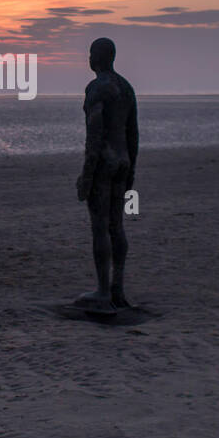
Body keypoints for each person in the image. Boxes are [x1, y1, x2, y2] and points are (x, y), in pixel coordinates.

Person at [75, 38, 138, 313]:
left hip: (104, 163)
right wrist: (132, 166)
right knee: (117, 225)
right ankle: (118, 288)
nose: (88, 58)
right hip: (122, 161)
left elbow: (95, 135)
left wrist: (86, 175)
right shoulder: (126, 87)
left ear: (98, 57)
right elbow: (132, 133)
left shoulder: (97, 87)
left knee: (100, 226)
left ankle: (103, 290)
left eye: (90, 53)